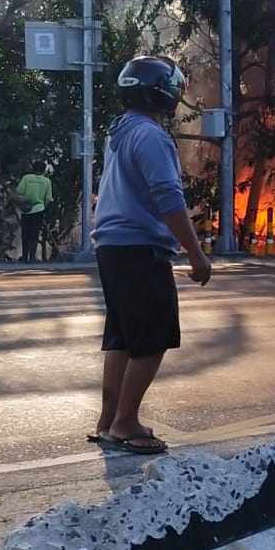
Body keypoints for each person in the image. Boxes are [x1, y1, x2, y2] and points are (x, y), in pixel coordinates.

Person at [89, 56, 212, 454]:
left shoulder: (121, 132)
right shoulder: (151, 135)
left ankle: (108, 421)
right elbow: (167, 197)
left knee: (123, 337)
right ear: (163, 91)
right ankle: (126, 423)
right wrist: (196, 254)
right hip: (139, 247)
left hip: (112, 247)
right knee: (153, 338)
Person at [15, 163, 54, 264]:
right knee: (34, 234)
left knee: (25, 233)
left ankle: (24, 257)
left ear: (32, 168)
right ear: (44, 170)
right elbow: (49, 198)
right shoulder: (47, 181)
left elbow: (19, 191)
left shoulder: (26, 178)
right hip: (39, 209)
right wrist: (43, 207)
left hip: (26, 209)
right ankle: (32, 257)